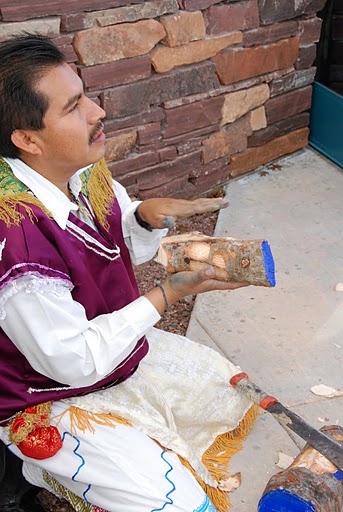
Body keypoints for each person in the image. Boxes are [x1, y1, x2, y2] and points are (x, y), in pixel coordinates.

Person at [0, 33, 255, 512]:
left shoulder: (78, 168)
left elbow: (108, 239)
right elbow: (71, 361)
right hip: (43, 392)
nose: (97, 113)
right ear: (28, 139)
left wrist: (142, 216)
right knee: (177, 504)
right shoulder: (17, 241)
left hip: (107, 347)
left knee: (229, 390)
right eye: (74, 107)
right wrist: (167, 295)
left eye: (86, 94)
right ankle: (36, 466)